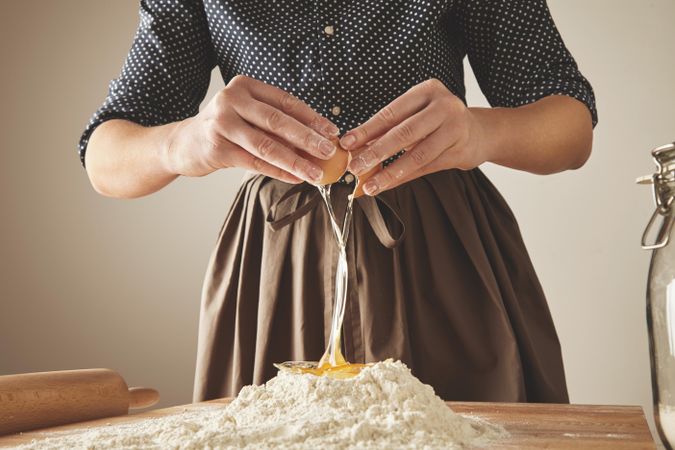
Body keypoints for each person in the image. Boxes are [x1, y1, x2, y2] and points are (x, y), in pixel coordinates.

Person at [80, 0, 596, 403]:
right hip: (278, 269)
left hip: (442, 257)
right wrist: (184, 143)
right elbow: (104, 155)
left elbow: (570, 125)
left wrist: (477, 132)